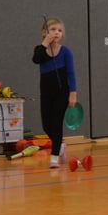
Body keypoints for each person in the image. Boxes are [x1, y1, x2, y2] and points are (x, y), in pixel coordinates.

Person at [32, 16, 77, 169]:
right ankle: (60, 145)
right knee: (46, 125)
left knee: (57, 123)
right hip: (46, 93)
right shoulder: (40, 50)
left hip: (62, 93)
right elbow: (36, 59)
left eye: (59, 30)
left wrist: (73, 93)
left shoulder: (66, 52)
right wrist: (45, 42)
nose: (57, 32)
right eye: (53, 29)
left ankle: (54, 156)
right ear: (44, 32)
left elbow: (71, 74)